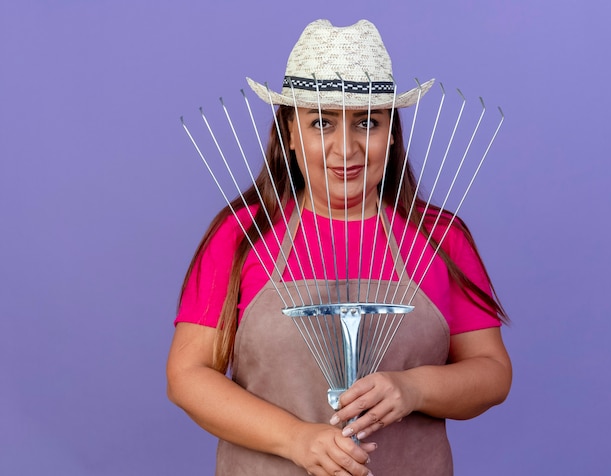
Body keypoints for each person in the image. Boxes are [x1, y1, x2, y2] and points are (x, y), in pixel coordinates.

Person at [167, 19, 512, 476]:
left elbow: (492, 373)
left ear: (391, 133)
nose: (345, 148)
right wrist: (295, 439)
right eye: (321, 123)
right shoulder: (240, 235)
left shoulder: (440, 237)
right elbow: (188, 377)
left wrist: (413, 389)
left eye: (367, 122)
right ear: (290, 134)